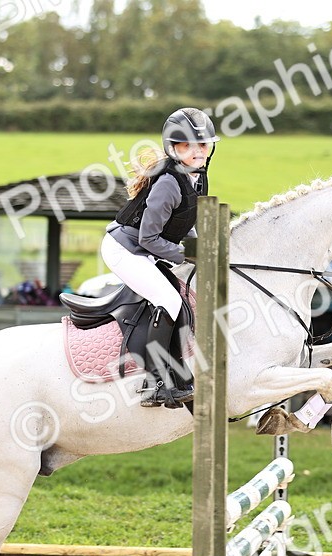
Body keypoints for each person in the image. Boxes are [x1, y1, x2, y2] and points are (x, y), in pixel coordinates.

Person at [102, 107, 218, 408]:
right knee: (169, 301)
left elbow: (187, 221)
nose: (198, 151)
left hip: (146, 249)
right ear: (173, 148)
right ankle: (153, 383)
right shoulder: (168, 183)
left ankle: (178, 377)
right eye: (188, 145)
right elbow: (148, 238)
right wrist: (188, 255)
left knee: (181, 302)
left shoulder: (197, 177)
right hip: (126, 249)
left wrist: (201, 248)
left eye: (203, 144)